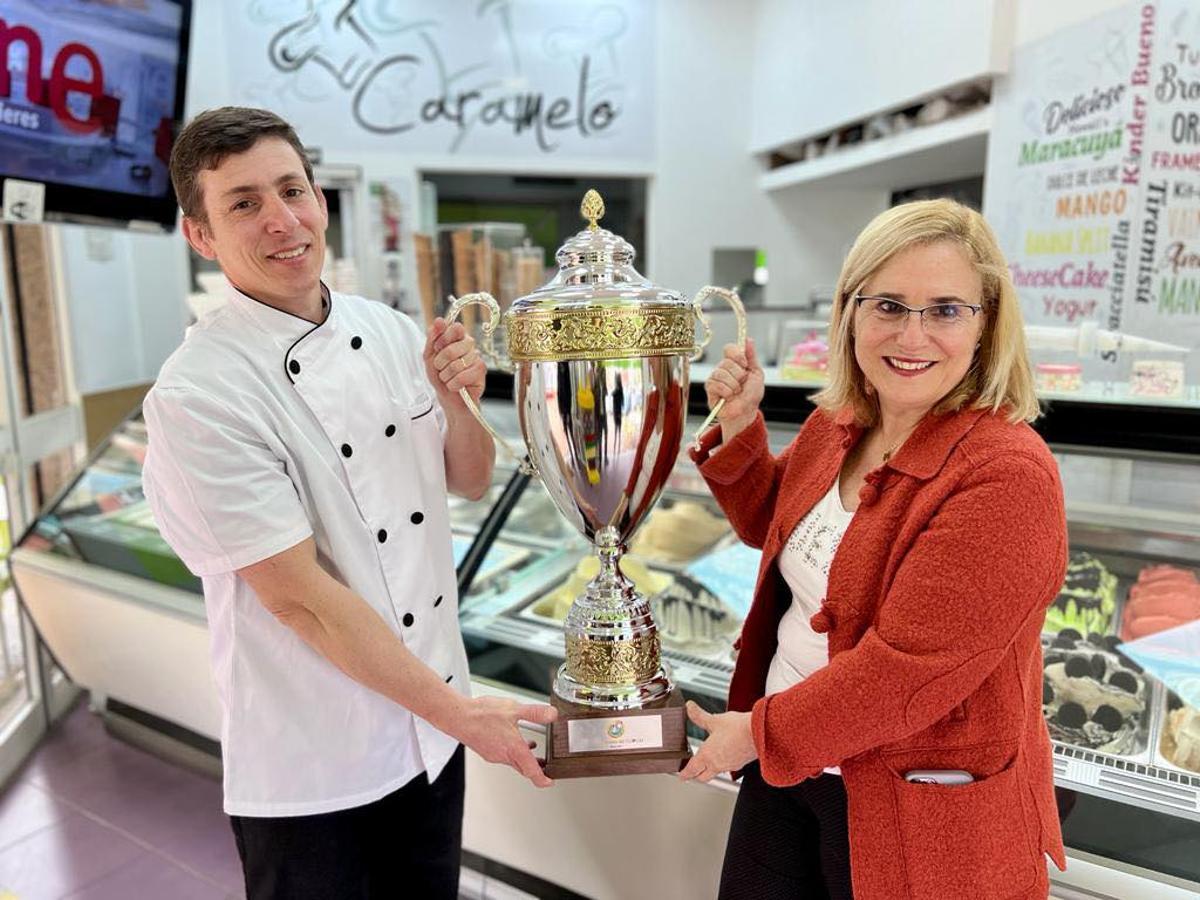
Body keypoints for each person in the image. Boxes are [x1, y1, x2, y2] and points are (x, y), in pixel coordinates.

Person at [141, 107, 555, 900]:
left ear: (321, 199)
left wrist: (457, 400)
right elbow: (304, 603)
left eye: (292, 190)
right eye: (243, 204)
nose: (282, 220)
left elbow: (468, 479)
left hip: (430, 738)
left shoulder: (393, 331)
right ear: (200, 235)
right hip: (313, 762)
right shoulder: (200, 394)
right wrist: (462, 714)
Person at [680, 199, 1067, 900]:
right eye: (888, 304)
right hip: (789, 769)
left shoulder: (1008, 473)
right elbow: (784, 529)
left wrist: (756, 734)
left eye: (946, 309)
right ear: (849, 311)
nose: (912, 334)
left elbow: (906, 672)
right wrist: (740, 429)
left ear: (986, 324)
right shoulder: (840, 423)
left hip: (911, 809)